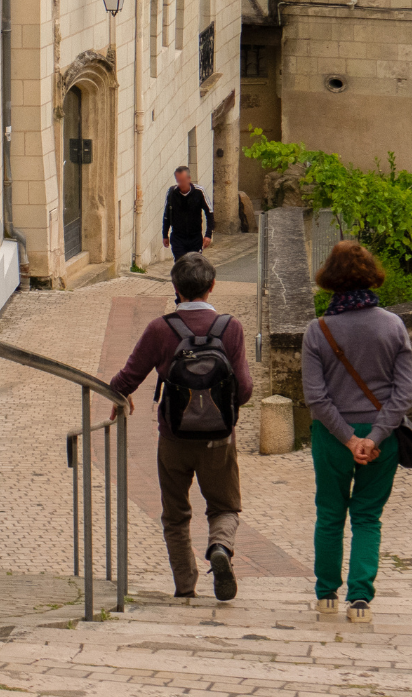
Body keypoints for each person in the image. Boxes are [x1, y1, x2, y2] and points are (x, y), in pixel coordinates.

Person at [109, 252, 252, 600]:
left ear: (175, 288)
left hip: (173, 437)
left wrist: (119, 396)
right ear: (212, 286)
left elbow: (127, 377)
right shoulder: (230, 328)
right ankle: (220, 547)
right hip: (218, 440)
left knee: (175, 515)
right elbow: (245, 391)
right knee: (225, 506)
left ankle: (186, 585)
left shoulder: (161, 329)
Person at [302, 240, 412, 624]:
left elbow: (315, 398)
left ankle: (326, 595)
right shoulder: (393, 326)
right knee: (367, 515)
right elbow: (405, 392)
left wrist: (349, 439)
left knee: (330, 513)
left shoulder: (317, 332)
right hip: (383, 437)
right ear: (371, 276)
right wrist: (376, 435)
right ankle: (361, 599)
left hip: (333, 436)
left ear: (330, 280)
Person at [162, 166, 214, 261]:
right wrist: (165, 235)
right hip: (178, 237)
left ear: (189, 179)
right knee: (181, 264)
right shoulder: (172, 193)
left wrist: (208, 234)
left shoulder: (199, 192)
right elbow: (166, 216)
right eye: (178, 181)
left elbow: (209, 213)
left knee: (194, 265)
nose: (180, 184)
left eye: (182, 180)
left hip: (195, 237)